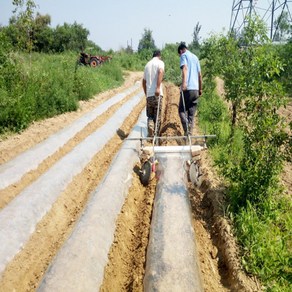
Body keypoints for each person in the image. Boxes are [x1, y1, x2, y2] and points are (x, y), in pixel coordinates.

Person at [177, 42, 202, 136]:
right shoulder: (195, 58)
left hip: (188, 88)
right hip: (195, 89)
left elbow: (185, 69)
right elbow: (200, 75)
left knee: (181, 110)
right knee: (191, 113)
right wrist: (200, 89)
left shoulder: (184, 55)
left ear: (180, 51)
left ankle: (186, 129)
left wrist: (184, 84)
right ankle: (189, 136)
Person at [142, 50, 165, 137]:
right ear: (159, 56)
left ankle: (150, 128)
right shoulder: (160, 63)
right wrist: (158, 87)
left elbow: (143, 81)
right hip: (157, 94)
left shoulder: (147, 65)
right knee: (157, 117)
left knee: (150, 116)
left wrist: (146, 93)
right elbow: (161, 72)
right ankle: (156, 136)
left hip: (149, 95)